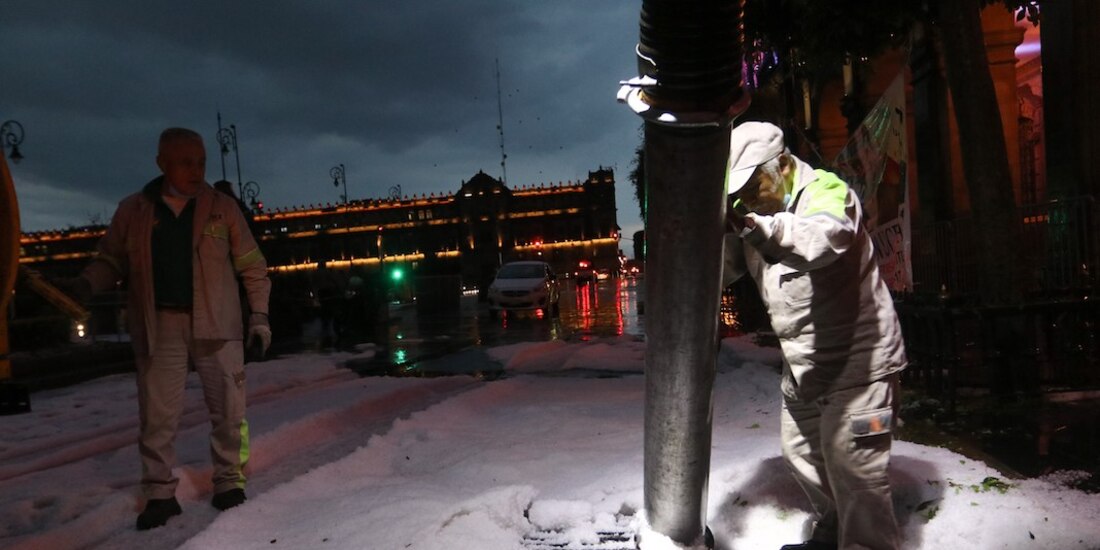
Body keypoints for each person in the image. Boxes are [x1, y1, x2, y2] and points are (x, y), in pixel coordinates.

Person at [69, 128, 272, 530]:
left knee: (230, 411)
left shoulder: (222, 208)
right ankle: (159, 494)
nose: (196, 171)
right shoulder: (134, 211)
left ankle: (229, 482)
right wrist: (86, 284)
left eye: (201, 162)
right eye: (185, 162)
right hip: (159, 325)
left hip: (218, 324)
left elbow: (253, 266)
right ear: (161, 163)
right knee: (157, 416)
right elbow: (111, 261)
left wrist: (259, 318)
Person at [721, 122, 907, 550]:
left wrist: (756, 229)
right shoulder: (754, 215)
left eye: (753, 186)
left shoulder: (827, 192)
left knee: (857, 470)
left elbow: (824, 238)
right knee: (802, 454)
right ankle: (833, 532)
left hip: (864, 368)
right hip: (806, 365)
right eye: (739, 193)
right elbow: (717, 269)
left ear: (783, 166)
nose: (747, 200)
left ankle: (867, 542)